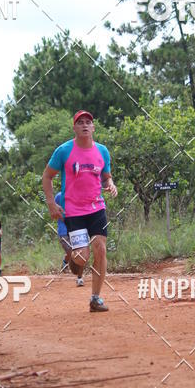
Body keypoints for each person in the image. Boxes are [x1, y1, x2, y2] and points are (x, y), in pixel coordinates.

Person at [42, 110, 117, 312]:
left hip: (96, 207)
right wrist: (51, 203)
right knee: (82, 257)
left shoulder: (102, 151)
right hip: (73, 210)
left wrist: (110, 183)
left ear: (93, 128)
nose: (85, 125)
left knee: (100, 249)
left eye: (88, 122)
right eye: (80, 122)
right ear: (74, 128)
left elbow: (106, 176)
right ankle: (74, 263)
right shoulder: (64, 151)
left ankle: (95, 298)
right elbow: (47, 177)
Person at [55, 190, 84, 286]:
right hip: (63, 231)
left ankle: (80, 278)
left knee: (80, 253)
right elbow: (54, 212)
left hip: (76, 229)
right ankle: (65, 262)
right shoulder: (59, 196)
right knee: (71, 252)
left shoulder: (78, 194)